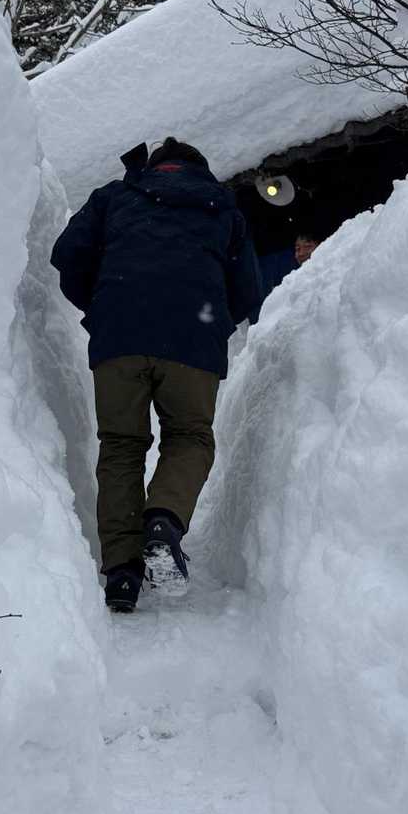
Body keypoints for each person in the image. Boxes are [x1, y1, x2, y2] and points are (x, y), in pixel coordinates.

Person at [50, 138, 263, 614]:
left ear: (155, 166)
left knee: (121, 445)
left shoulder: (115, 197)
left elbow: (67, 254)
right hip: (194, 339)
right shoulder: (222, 208)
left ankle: (122, 575)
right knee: (190, 436)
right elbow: (248, 291)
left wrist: (103, 307)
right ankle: (163, 523)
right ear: (199, 170)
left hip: (119, 338)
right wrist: (209, 323)